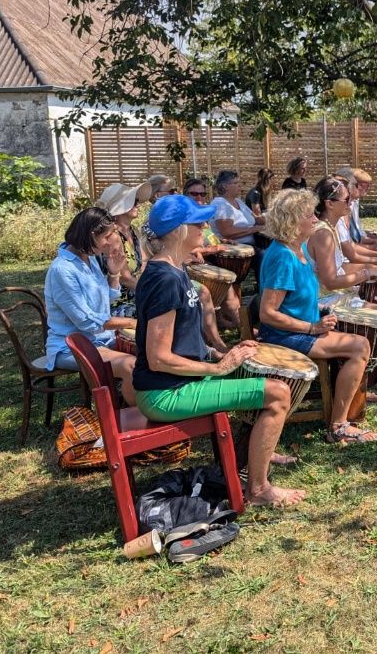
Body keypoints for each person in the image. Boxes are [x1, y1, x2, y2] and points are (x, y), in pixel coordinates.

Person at [133, 195, 305, 508]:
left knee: (258, 372)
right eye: (198, 222)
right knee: (279, 393)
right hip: (164, 394)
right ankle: (258, 488)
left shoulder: (175, 269)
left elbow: (183, 343)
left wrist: (220, 354)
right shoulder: (164, 279)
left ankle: (247, 461)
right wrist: (219, 368)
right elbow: (158, 357)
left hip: (174, 385)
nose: (204, 227)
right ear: (179, 230)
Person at [258, 188, 377, 444]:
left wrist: (320, 312)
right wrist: (312, 327)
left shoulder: (297, 248)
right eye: (308, 215)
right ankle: (338, 426)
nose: (315, 219)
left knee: (356, 340)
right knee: (360, 346)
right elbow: (268, 313)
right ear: (291, 221)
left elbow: (297, 299)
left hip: (299, 330)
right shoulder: (282, 257)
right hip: (286, 336)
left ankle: (346, 412)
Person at [307, 176, 377, 391]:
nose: (350, 202)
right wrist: (367, 272)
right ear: (329, 203)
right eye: (346, 200)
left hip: (334, 295)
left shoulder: (329, 228)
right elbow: (330, 281)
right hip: (324, 303)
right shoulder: (323, 234)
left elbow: (340, 268)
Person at [44, 207, 137, 404]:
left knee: (152, 351)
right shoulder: (63, 270)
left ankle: (134, 403)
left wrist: (113, 274)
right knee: (131, 366)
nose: (107, 244)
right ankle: (133, 422)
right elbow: (87, 322)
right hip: (71, 346)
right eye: (106, 237)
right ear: (90, 235)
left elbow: (105, 301)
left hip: (100, 339)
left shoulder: (89, 258)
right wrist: (130, 322)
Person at [180, 177, 241, 334]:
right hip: (191, 265)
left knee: (229, 287)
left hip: (208, 261)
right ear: (185, 194)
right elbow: (182, 249)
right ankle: (239, 325)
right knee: (225, 288)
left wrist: (222, 241)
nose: (200, 198)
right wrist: (209, 250)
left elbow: (207, 237)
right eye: (195, 194)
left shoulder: (203, 215)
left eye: (203, 194)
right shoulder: (182, 218)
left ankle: (229, 321)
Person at [95, 181, 152, 317]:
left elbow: (143, 263)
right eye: (133, 201)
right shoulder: (113, 236)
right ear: (119, 207)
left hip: (136, 294)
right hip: (118, 301)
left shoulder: (133, 231)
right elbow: (125, 279)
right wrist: (152, 294)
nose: (137, 204)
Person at [210, 169, 269, 270]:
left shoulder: (238, 201)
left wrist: (275, 219)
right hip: (236, 246)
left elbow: (257, 219)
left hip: (252, 243)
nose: (240, 185)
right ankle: (265, 285)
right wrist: (255, 229)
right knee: (265, 257)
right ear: (225, 186)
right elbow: (227, 232)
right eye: (236, 183)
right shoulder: (220, 204)